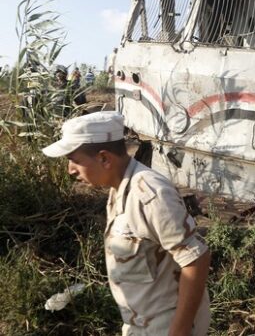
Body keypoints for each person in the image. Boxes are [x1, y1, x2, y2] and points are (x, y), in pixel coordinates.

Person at [42, 112, 211, 336]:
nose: (70, 170)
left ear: (104, 158)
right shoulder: (118, 189)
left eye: (75, 160)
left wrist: (178, 332)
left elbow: (196, 260)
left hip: (165, 326)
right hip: (140, 323)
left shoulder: (150, 195)